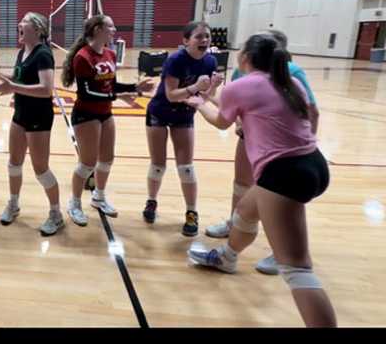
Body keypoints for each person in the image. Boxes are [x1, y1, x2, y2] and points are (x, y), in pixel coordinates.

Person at [185, 33, 336, 327]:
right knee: (245, 210)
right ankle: (227, 258)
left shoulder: (242, 85)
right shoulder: (289, 82)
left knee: (297, 269)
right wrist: (209, 96)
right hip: (313, 162)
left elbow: (222, 121)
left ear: (245, 57)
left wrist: (198, 103)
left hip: (284, 172)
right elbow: (243, 106)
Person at [205, 29, 319, 275]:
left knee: (296, 264)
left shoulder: (293, 74)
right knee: (246, 205)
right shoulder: (245, 75)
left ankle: (281, 252)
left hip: (285, 161)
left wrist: (200, 103)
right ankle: (227, 255)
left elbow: (312, 111)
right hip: (281, 152)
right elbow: (238, 108)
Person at [59, 15, 154, 226]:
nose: (114, 30)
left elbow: (112, 85)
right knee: (87, 164)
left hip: (105, 113)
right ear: (97, 29)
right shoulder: (83, 57)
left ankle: (99, 197)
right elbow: (86, 93)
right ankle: (74, 203)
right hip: (86, 114)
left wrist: (135, 88)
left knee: (107, 159)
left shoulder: (110, 53)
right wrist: (118, 96)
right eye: (110, 26)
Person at [0, 12, 64, 236]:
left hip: (39, 117)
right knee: (14, 163)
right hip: (20, 114)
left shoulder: (43, 54)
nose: (19, 23)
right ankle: (14, 204)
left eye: (25, 21)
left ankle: (56, 214)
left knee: (41, 170)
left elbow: (46, 89)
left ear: (38, 29)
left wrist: (13, 88)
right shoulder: (22, 52)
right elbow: (18, 80)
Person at [142, 21, 219, 236]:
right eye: (199, 36)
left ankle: (192, 211)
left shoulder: (210, 61)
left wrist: (212, 87)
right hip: (160, 111)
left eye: (207, 36)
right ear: (186, 41)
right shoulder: (175, 60)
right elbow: (171, 95)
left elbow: (203, 98)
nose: (204, 40)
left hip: (184, 114)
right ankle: (151, 201)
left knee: (186, 167)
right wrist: (196, 87)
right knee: (158, 164)